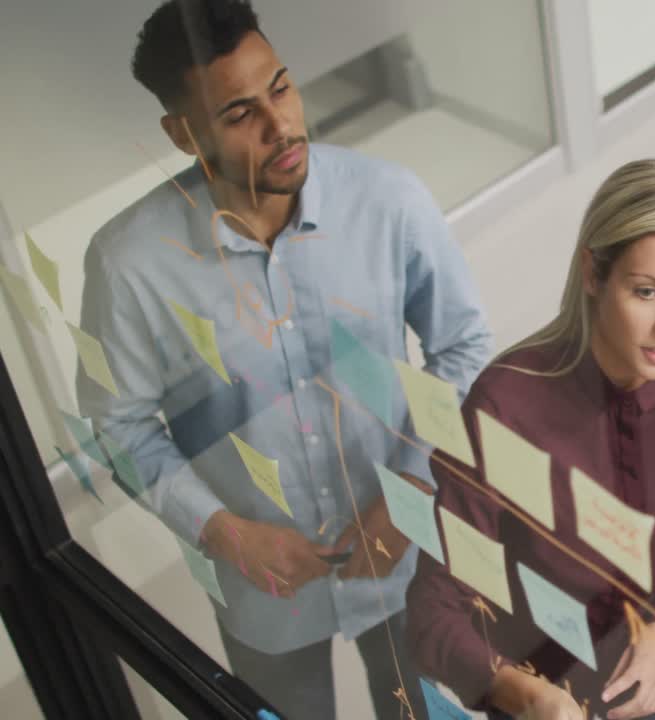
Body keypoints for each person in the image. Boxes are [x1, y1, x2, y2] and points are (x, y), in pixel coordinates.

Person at [75, 1, 491, 718]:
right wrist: (223, 532)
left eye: (282, 87)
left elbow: (465, 348)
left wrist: (416, 491)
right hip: (262, 599)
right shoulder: (130, 266)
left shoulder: (389, 201)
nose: (282, 127)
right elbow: (120, 427)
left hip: (408, 565)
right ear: (184, 135)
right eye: (239, 114)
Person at [406, 158, 655, 720]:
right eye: (646, 291)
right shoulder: (504, 408)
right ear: (593, 274)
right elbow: (433, 611)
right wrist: (520, 693)